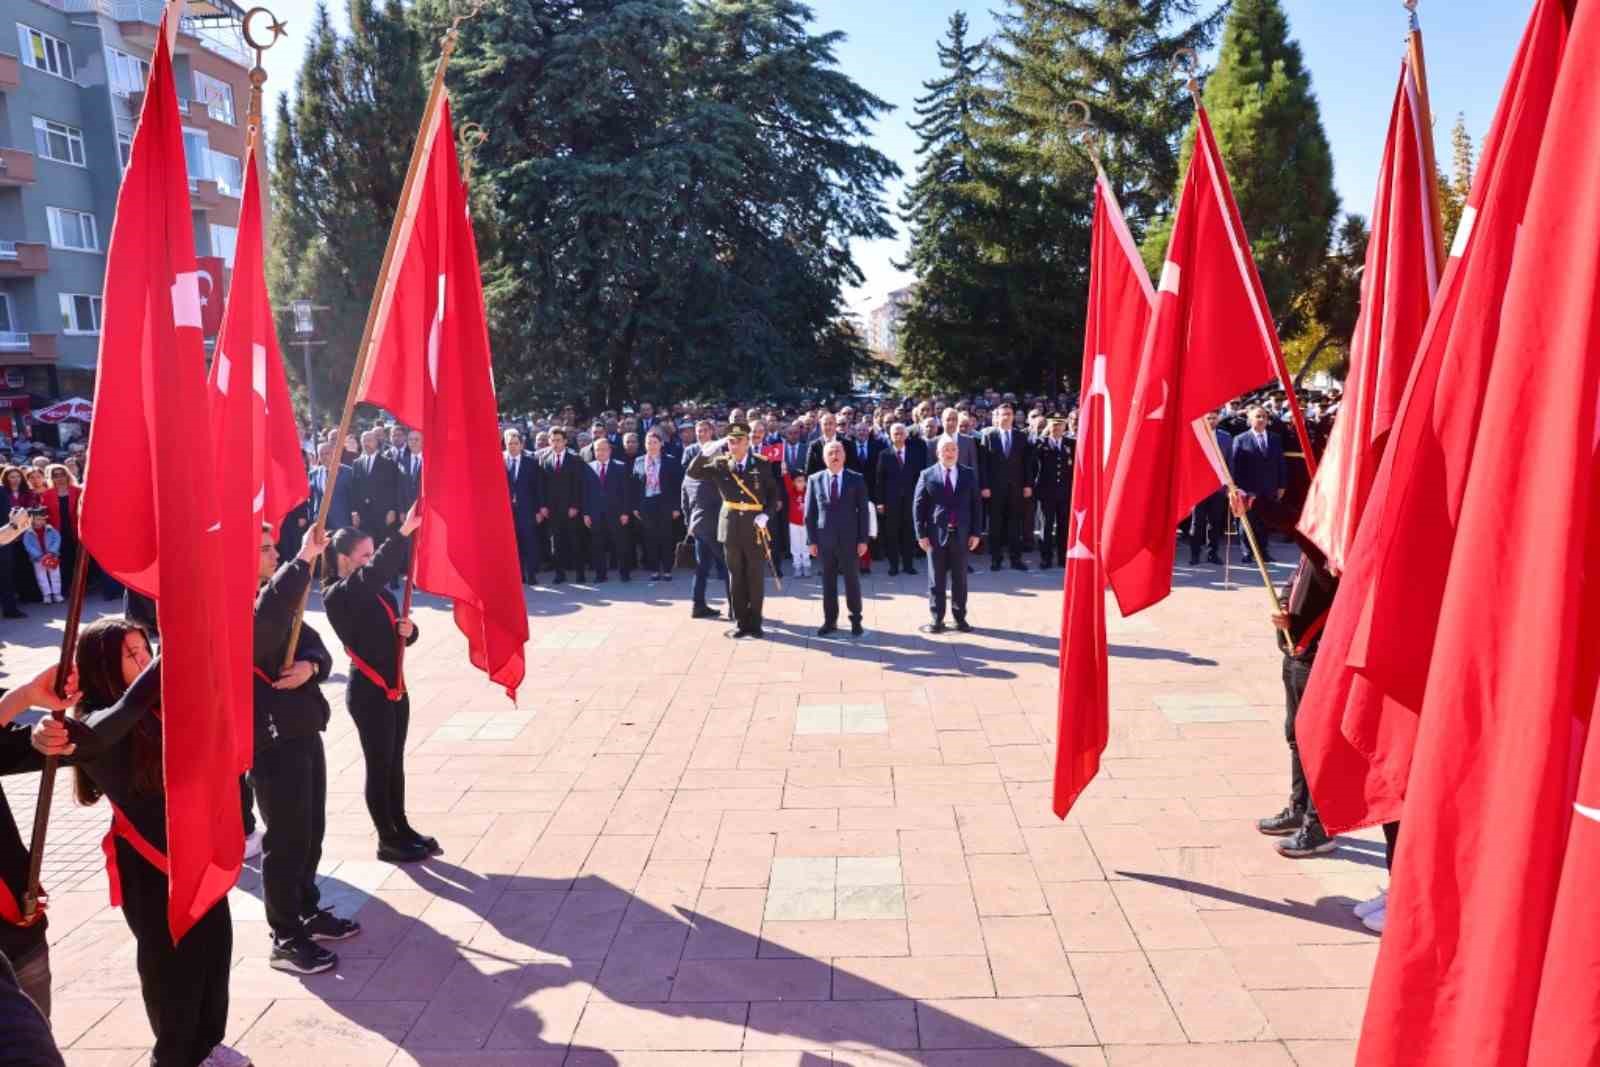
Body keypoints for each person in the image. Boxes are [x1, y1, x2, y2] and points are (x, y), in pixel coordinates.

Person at [66, 619, 244, 1067]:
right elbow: (105, 730)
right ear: (104, 664)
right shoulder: (90, 722)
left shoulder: (160, 706)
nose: (144, 660)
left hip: (196, 851)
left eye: (145, 649)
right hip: (150, 865)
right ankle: (175, 1057)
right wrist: (160, 670)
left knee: (213, 954)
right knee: (172, 972)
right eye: (131, 655)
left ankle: (207, 1045)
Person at [252, 524, 360, 975]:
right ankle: (285, 934)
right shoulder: (244, 603)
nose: (272, 553)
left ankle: (307, 908)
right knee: (285, 837)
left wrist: (310, 667)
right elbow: (262, 628)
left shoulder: (277, 597)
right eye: (264, 548)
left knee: (311, 827)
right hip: (272, 738)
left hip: (303, 728)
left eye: (274, 547)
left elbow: (319, 648)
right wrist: (301, 563)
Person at [321, 514, 437, 864]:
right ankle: (387, 838)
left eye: (372, 554)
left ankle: (401, 827)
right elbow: (373, 576)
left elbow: (395, 629)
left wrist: (409, 631)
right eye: (364, 556)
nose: (369, 562)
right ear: (344, 559)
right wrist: (402, 534)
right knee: (379, 763)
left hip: (395, 685)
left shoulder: (371, 589)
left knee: (395, 763)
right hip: (369, 692)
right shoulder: (337, 594)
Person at [1, 663, 82, 1019]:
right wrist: (21, 698)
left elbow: (16, 746)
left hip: (18, 924)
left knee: (36, 1041)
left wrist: (42, 737)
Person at [1257, 531, 1340, 860]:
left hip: (1318, 657)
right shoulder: (1313, 551)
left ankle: (1320, 827)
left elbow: (1303, 538)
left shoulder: (1331, 552)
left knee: (1317, 744)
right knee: (1296, 736)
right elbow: (1297, 582)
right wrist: (1283, 610)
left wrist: (1255, 504)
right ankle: (1299, 808)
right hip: (1296, 651)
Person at [683, 423, 783, 639]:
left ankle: (755, 622)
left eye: (738, 440)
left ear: (747, 442)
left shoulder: (762, 464)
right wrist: (705, 452)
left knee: (754, 575)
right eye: (730, 440)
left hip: (755, 525)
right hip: (729, 526)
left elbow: (775, 495)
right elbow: (693, 472)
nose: (733, 445)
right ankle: (740, 622)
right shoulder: (720, 464)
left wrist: (766, 514)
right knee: (735, 575)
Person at [914, 436, 982, 634]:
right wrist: (921, 534)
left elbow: (976, 505)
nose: (950, 453)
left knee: (960, 578)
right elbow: (918, 507)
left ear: (958, 452)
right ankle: (937, 619)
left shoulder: (968, 474)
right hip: (935, 535)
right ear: (938, 453)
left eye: (953, 449)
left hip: (961, 534)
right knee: (936, 580)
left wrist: (976, 533)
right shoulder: (927, 475)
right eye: (946, 449)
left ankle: (960, 619)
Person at [805, 441, 871, 638]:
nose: (834, 455)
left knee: (852, 580)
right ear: (825, 458)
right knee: (828, 582)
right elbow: (810, 513)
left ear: (844, 455)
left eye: (838, 452)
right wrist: (811, 541)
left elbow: (863, 512)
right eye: (830, 453)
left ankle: (856, 620)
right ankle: (830, 621)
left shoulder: (856, 479)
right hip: (824, 540)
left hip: (850, 539)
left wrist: (863, 540)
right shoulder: (814, 479)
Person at [980, 402, 1035, 571]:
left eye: (1009, 414)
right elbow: (984, 464)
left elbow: (1027, 463)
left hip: (1016, 488)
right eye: (1002, 414)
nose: (1006, 417)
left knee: (1014, 525)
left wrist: (1027, 484)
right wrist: (985, 486)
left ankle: (1015, 559)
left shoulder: (1020, 436)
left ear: (1013, 416)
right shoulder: (989, 436)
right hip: (995, 489)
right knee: (995, 525)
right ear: (996, 417)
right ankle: (996, 560)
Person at [681, 422, 728, 619]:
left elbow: (684, 502)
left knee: (702, 568)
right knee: (726, 567)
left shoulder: (689, 477)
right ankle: (736, 608)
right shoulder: (714, 480)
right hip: (716, 527)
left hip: (698, 526)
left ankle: (697, 605)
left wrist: (688, 523)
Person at [1230, 405, 1287, 565]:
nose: (1261, 420)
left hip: (1269, 488)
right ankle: (1247, 552)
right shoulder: (1240, 439)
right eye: (1258, 416)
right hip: (1247, 489)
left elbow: (1280, 463)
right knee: (1247, 522)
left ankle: (1263, 551)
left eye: (1264, 417)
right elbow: (1235, 466)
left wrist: (1282, 485)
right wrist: (1238, 488)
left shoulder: (1275, 438)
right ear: (1250, 420)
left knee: (1264, 521)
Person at [630, 430, 682, 582]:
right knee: (650, 538)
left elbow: (677, 486)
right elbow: (634, 485)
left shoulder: (670, 461)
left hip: (664, 502)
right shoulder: (639, 461)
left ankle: (667, 569)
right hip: (646, 503)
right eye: (648, 442)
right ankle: (654, 569)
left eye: (654, 442)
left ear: (661, 444)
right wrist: (635, 506)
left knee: (666, 537)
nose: (651, 446)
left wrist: (676, 507)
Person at [537, 427, 586, 584]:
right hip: (552, 510)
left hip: (570, 508)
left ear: (565, 441)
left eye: (558, 440)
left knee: (575, 541)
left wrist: (575, 506)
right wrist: (543, 506)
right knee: (556, 543)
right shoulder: (544, 458)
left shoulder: (575, 459)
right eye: (552, 440)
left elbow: (578, 485)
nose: (555, 443)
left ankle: (580, 573)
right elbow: (541, 485)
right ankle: (560, 574)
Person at [874, 423, 921, 577]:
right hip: (890, 501)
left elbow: (919, 478)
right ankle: (893, 565)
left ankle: (908, 565)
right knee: (892, 533)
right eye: (895, 433)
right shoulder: (884, 454)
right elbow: (879, 480)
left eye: (901, 433)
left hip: (910, 500)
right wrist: (880, 502)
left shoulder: (914, 453)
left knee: (909, 533)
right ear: (891, 436)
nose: (899, 436)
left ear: (906, 435)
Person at [1188, 411, 1234, 566]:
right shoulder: (1194, 435)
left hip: (1218, 487)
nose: (1212, 421)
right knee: (1197, 523)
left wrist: (1230, 485)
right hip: (1198, 487)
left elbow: (1230, 462)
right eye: (1208, 418)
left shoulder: (1226, 437)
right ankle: (1194, 554)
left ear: (1219, 419)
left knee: (1215, 523)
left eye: (1214, 418)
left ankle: (1212, 554)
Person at [583, 437, 631, 583]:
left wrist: (625, 512)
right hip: (596, 513)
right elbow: (585, 492)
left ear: (609, 451)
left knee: (621, 544)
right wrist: (586, 513)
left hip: (616, 513)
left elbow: (625, 492)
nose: (601, 452)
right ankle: (600, 575)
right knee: (598, 545)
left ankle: (624, 573)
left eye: (604, 449)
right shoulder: (588, 467)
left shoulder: (620, 467)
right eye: (598, 449)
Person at [1033, 414, 1073, 569]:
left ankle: (1063, 558)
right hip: (1046, 492)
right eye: (1054, 424)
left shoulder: (1071, 443)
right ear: (1049, 426)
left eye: (1060, 425)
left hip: (1065, 492)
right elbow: (1034, 466)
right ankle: (1046, 558)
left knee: (1064, 526)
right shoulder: (1040, 444)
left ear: (1065, 427)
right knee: (1046, 527)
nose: (1057, 428)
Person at [503, 429, 542, 585]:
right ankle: (518, 576)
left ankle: (531, 574)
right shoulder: (499, 461)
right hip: (507, 512)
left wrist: (539, 509)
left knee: (530, 543)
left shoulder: (531, 463)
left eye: (515, 444)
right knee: (513, 545)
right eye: (509, 444)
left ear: (521, 445)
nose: (512, 447)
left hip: (527, 510)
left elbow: (537, 488)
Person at [349, 430, 401, 538]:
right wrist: (354, 512)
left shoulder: (388, 462)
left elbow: (393, 488)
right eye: (363, 441)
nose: (366, 443)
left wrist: (392, 510)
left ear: (376, 442)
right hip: (363, 515)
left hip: (382, 513)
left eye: (369, 440)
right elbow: (354, 489)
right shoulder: (357, 463)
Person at [41, 466, 80, 592]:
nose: (59, 478)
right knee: (62, 559)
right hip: (56, 531)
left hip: (75, 529)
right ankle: (67, 587)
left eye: (62, 474)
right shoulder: (47, 494)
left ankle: (80, 586)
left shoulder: (77, 491)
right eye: (55, 475)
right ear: (51, 478)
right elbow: (45, 515)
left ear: (67, 475)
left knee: (76, 558)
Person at [307, 443, 354, 532]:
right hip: (321, 524)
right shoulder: (313, 474)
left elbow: (354, 496)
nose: (324, 457)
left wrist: (354, 514)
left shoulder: (348, 472)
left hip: (342, 522)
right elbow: (312, 499)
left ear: (335, 454)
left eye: (327, 453)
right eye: (321, 454)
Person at [20, 510, 62, 605]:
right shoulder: (28, 533)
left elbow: (57, 540)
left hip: (52, 556)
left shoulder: (51, 529)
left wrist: (52, 551)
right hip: (38, 559)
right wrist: (38, 555)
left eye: (42, 519)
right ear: (32, 520)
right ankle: (46, 595)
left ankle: (57, 594)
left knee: (55, 575)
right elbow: (28, 545)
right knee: (41, 577)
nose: (40, 522)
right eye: (37, 520)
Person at [785, 467, 810, 578]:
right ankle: (797, 566)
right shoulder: (791, 491)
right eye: (798, 481)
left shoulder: (809, 492)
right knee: (795, 546)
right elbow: (786, 481)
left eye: (803, 481)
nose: (801, 483)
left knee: (806, 545)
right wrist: (785, 471)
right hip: (794, 523)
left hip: (806, 523)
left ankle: (806, 566)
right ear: (794, 482)